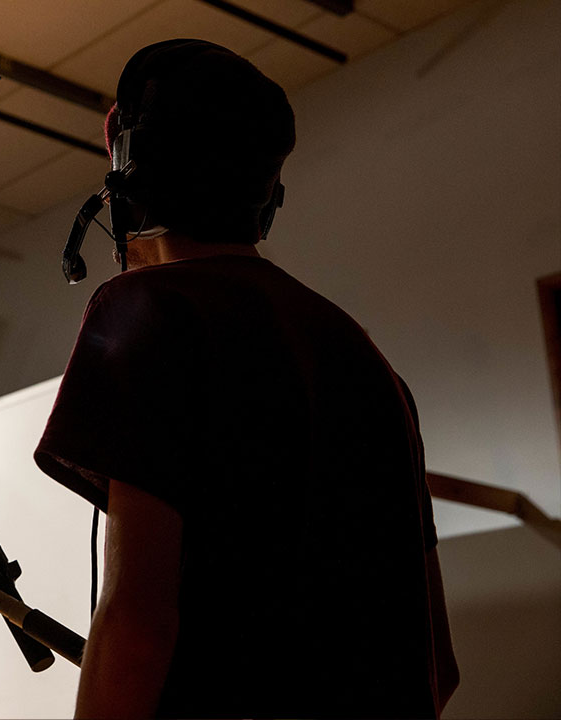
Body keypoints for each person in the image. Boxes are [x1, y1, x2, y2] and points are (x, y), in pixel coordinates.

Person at [34, 39, 459, 718]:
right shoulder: (369, 361)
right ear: (265, 190)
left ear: (129, 172)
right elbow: (437, 666)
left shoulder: (151, 310)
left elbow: (139, 626)